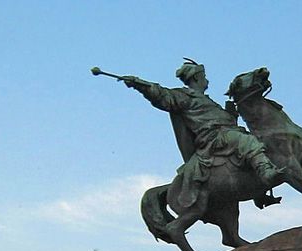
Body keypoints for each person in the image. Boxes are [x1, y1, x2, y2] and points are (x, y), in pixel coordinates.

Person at [120, 60, 282, 208]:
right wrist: (139, 84)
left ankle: (259, 193)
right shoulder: (184, 96)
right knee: (248, 142)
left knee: (259, 145)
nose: (206, 80)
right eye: (204, 76)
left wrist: (231, 115)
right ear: (197, 78)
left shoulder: (206, 100)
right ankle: (265, 173)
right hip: (214, 138)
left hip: (228, 133)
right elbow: (162, 95)